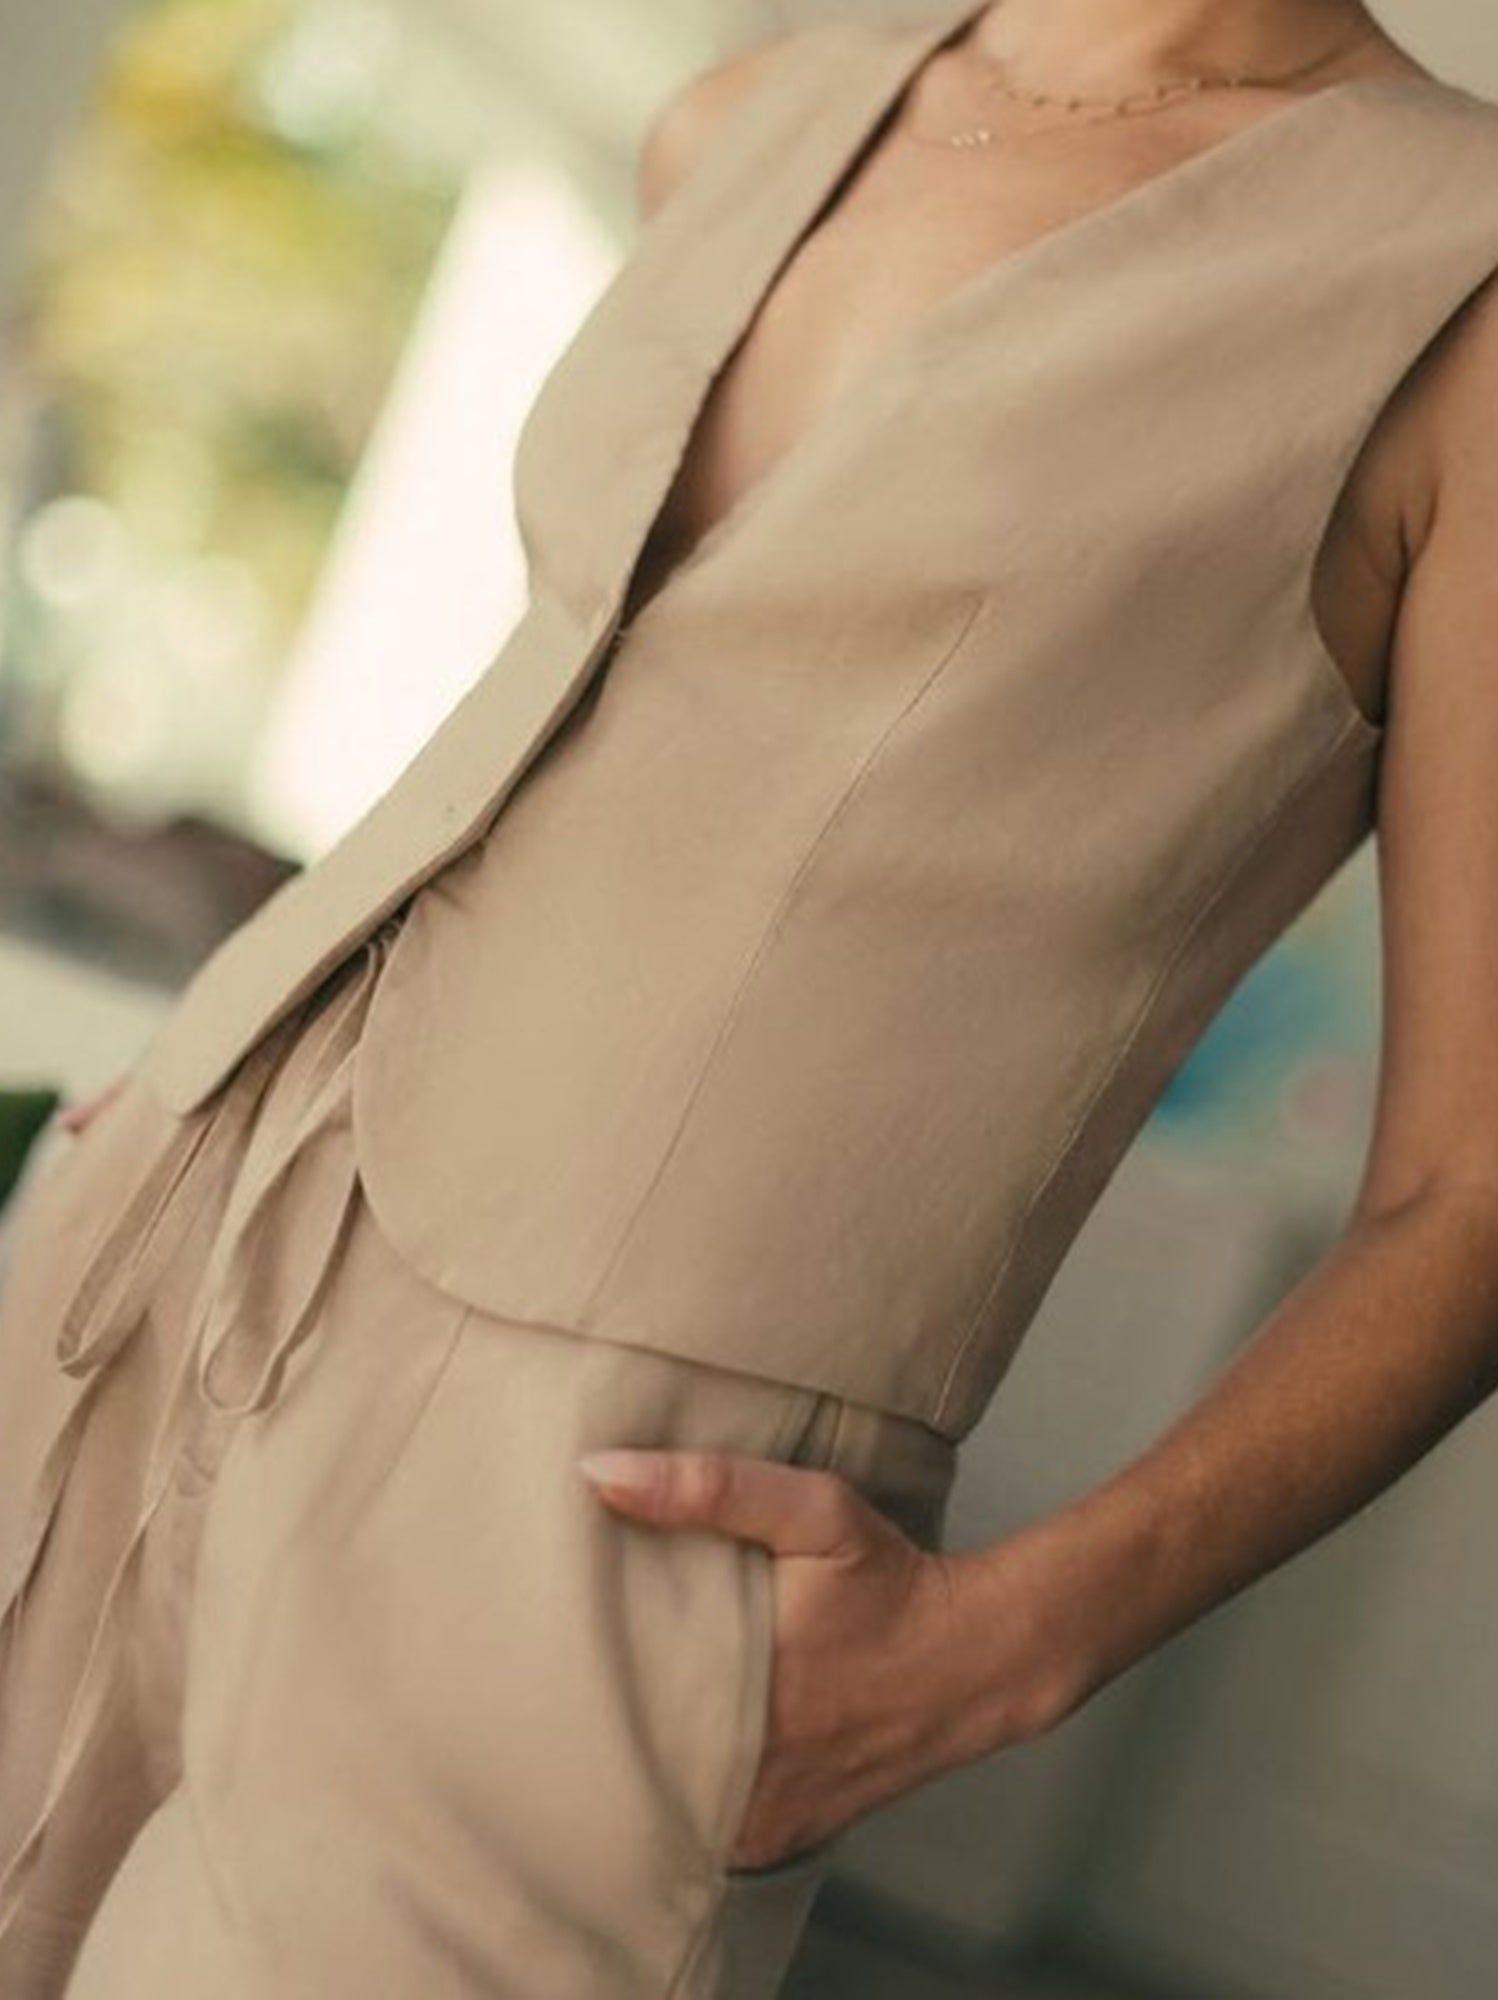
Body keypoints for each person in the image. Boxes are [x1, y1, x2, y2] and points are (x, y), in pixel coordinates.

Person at [5, 0, 1498, 1993]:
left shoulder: (1453, 289)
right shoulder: (749, 112)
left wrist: (1012, 1642)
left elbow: (1465, 1189)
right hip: (172, 1248)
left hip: (607, 1497)